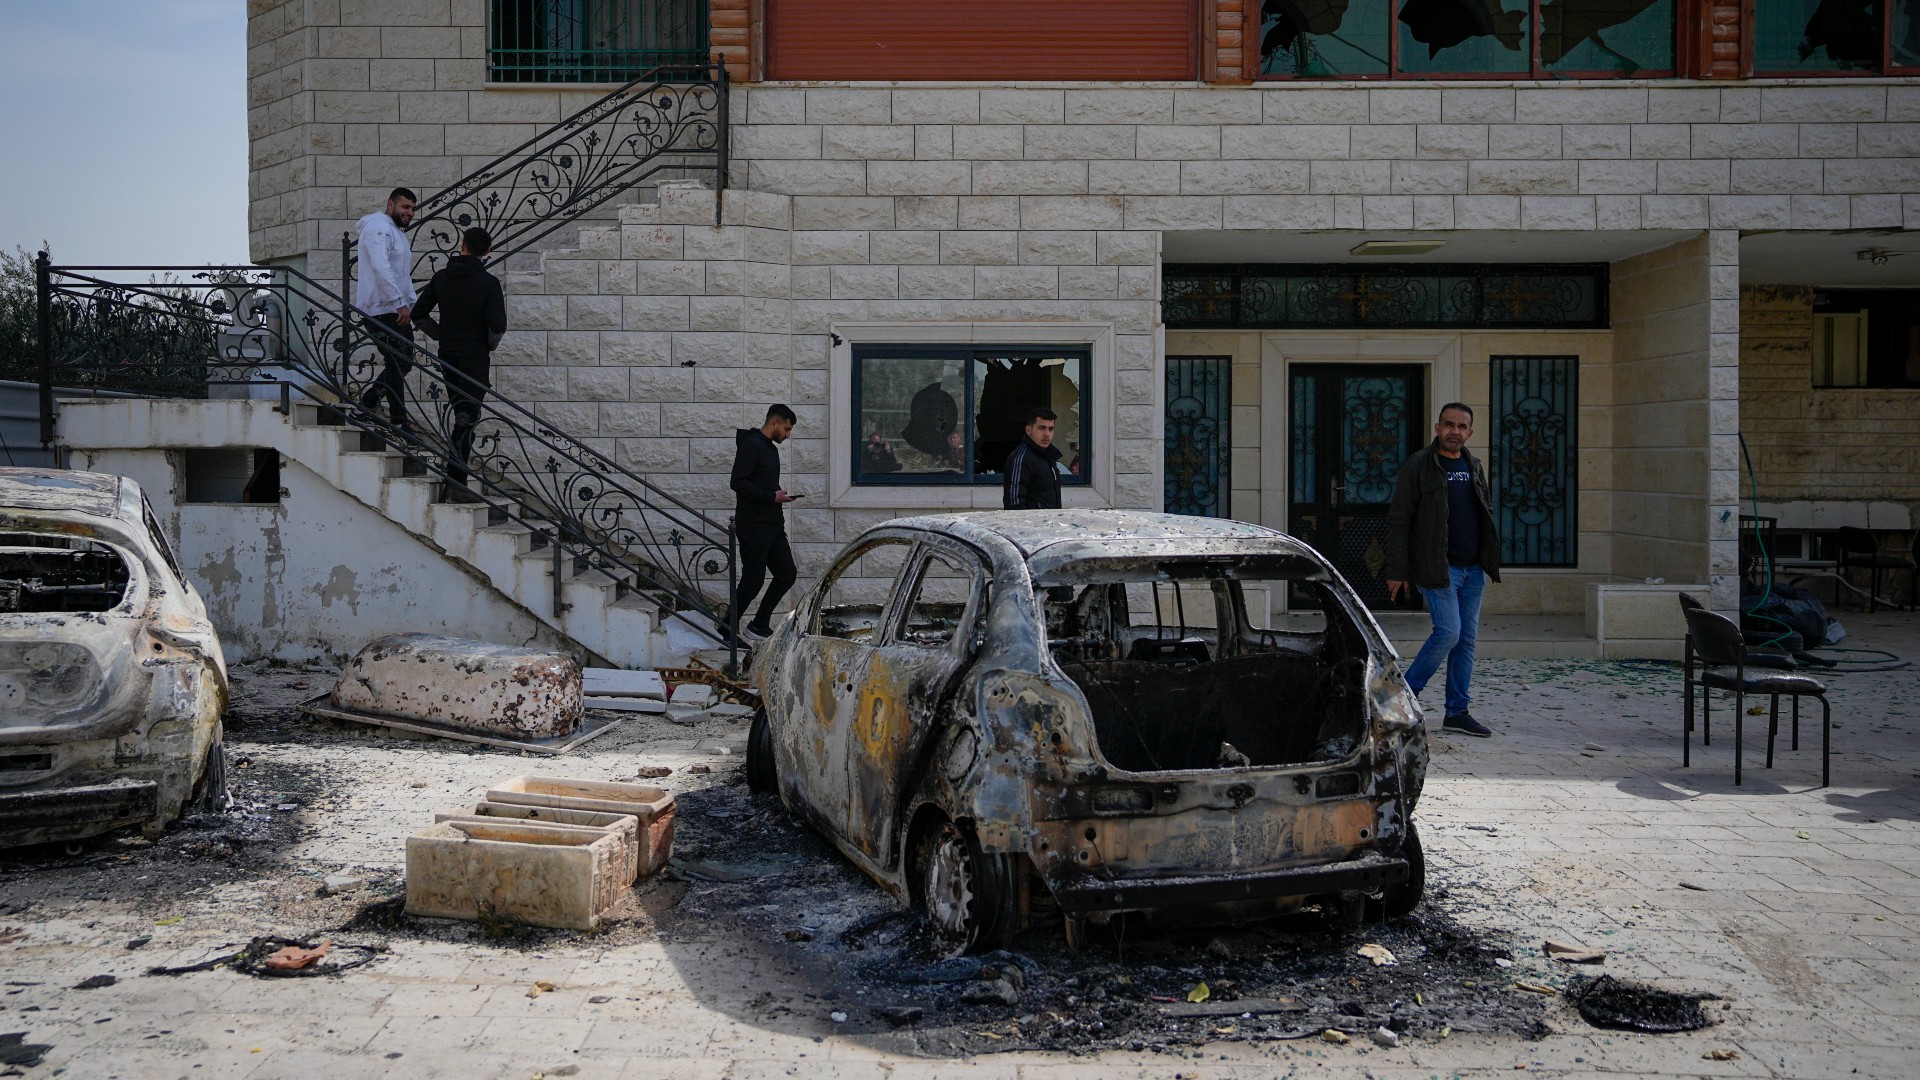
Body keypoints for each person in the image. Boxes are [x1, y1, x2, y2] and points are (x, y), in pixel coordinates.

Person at [1385, 403, 1503, 738]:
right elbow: (1400, 518)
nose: (1455, 430)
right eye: (1449, 424)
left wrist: (1487, 558)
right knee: (1448, 633)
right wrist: (1398, 569)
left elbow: (1485, 513)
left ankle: (1457, 712)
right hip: (1437, 567)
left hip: (1473, 570)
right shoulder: (1420, 464)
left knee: (1465, 641)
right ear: (1438, 427)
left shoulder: (1474, 466)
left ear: (1470, 432)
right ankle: (1399, 699)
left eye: (1461, 426)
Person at [412, 226, 507, 501]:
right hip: (474, 356)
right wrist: (485, 343)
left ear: (462, 246)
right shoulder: (488, 283)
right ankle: (456, 481)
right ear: (487, 252)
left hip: (449, 355)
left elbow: (419, 314)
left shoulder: (442, 278)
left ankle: (455, 479)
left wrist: (443, 335)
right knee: (467, 417)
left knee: (462, 416)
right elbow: (497, 325)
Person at [729, 404, 799, 642]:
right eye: (786, 429)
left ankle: (759, 624)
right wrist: (771, 496)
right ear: (774, 423)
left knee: (787, 573)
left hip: (773, 524)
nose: (787, 435)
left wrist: (776, 492)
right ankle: (726, 629)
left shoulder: (769, 448)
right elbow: (738, 482)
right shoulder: (751, 445)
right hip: (753, 525)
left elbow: (759, 482)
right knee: (753, 579)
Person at [355, 187, 419, 428]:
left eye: (413, 209)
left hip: (394, 309)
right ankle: (399, 421)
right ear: (390, 204)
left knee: (404, 361)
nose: (410, 212)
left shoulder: (396, 232)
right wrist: (399, 303)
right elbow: (381, 267)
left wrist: (410, 304)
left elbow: (402, 274)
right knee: (396, 361)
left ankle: (366, 406)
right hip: (380, 309)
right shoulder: (378, 227)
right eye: (405, 207)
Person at [1002, 406, 1062, 510]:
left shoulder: (1048, 456)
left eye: (1051, 429)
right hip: (1033, 525)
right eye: (1042, 428)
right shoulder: (1020, 459)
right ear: (1028, 430)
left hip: (1051, 524)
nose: (1047, 434)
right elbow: (1014, 505)